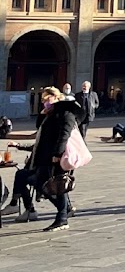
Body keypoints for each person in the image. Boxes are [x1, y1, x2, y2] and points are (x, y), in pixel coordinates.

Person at [15, 86, 80, 232]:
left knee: (58, 185)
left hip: (57, 157)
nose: (45, 101)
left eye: (47, 98)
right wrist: (43, 114)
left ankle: (62, 218)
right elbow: (40, 129)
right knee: (42, 183)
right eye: (43, 99)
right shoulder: (51, 113)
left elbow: (65, 134)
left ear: (56, 97)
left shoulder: (66, 113)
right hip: (44, 156)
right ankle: (63, 213)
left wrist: (57, 154)